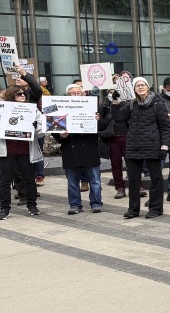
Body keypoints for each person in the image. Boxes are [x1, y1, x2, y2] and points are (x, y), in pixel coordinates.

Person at [114, 77, 170, 219]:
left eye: (142, 85)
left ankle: (156, 208)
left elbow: (165, 127)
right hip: (133, 146)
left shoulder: (158, 104)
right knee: (133, 179)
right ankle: (133, 209)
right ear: (134, 89)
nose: (140, 87)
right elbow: (119, 118)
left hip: (153, 145)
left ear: (147, 87)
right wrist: (115, 102)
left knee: (156, 178)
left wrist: (164, 146)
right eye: (137, 85)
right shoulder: (131, 104)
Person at [52, 84, 104, 214]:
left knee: (95, 180)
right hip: (70, 148)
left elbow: (104, 126)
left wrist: (98, 120)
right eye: (72, 93)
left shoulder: (94, 106)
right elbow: (53, 129)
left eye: (78, 93)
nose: (76, 95)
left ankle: (96, 203)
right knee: (72, 181)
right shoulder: (60, 109)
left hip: (89, 147)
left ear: (83, 94)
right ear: (67, 96)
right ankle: (75, 205)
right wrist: (61, 135)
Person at [0, 85, 44, 219]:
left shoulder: (32, 110)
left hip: (26, 151)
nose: (23, 96)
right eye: (19, 94)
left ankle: (32, 205)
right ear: (11, 95)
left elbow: (42, 131)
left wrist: (36, 128)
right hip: (6, 151)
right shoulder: (2, 109)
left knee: (29, 180)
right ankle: (4, 208)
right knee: (4, 181)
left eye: (24, 93)